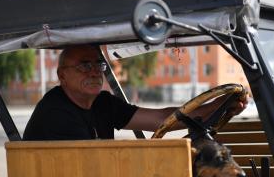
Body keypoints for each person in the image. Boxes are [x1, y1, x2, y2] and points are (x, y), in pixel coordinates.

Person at [23, 45, 248, 141]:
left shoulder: (102, 103)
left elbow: (163, 120)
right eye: (84, 65)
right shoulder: (56, 112)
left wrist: (220, 106)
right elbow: (93, 166)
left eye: (98, 64)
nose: (94, 72)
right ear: (62, 75)